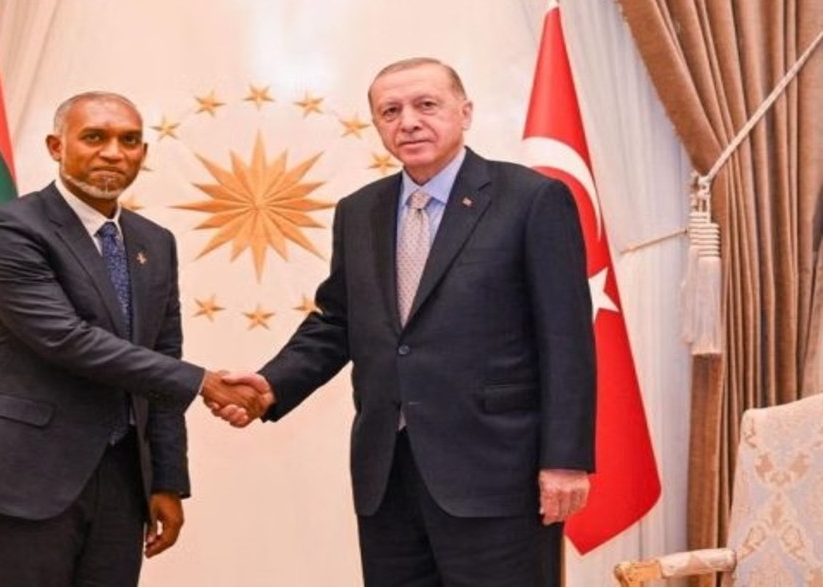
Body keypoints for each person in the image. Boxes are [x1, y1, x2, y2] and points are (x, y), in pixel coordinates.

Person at [216, 58, 596, 586]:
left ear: (465, 112)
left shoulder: (531, 199)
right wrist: (271, 386)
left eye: (426, 105)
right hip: (388, 475)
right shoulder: (359, 210)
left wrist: (565, 460)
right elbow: (337, 321)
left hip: (496, 474)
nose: (409, 122)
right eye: (390, 111)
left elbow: (567, 338)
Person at [0, 91, 262, 586]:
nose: (113, 152)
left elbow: (161, 358)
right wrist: (204, 383)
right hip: (22, 473)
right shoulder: (7, 228)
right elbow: (66, 339)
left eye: (129, 141)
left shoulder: (155, 242)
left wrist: (167, 479)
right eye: (95, 137)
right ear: (55, 146)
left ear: (143, 154)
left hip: (121, 477)